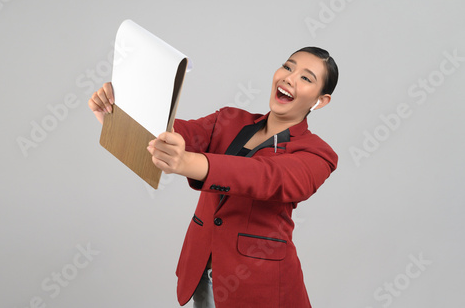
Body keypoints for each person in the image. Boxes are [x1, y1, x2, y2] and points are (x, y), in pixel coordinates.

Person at [88, 47, 339, 307]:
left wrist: (187, 162)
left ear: (320, 101)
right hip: (203, 276)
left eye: (306, 78)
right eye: (288, 67)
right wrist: (118, 115)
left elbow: (266, 176)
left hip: (259, 287)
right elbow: (171, 133)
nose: (289, 78)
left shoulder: (318, 154)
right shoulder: (229, 119)